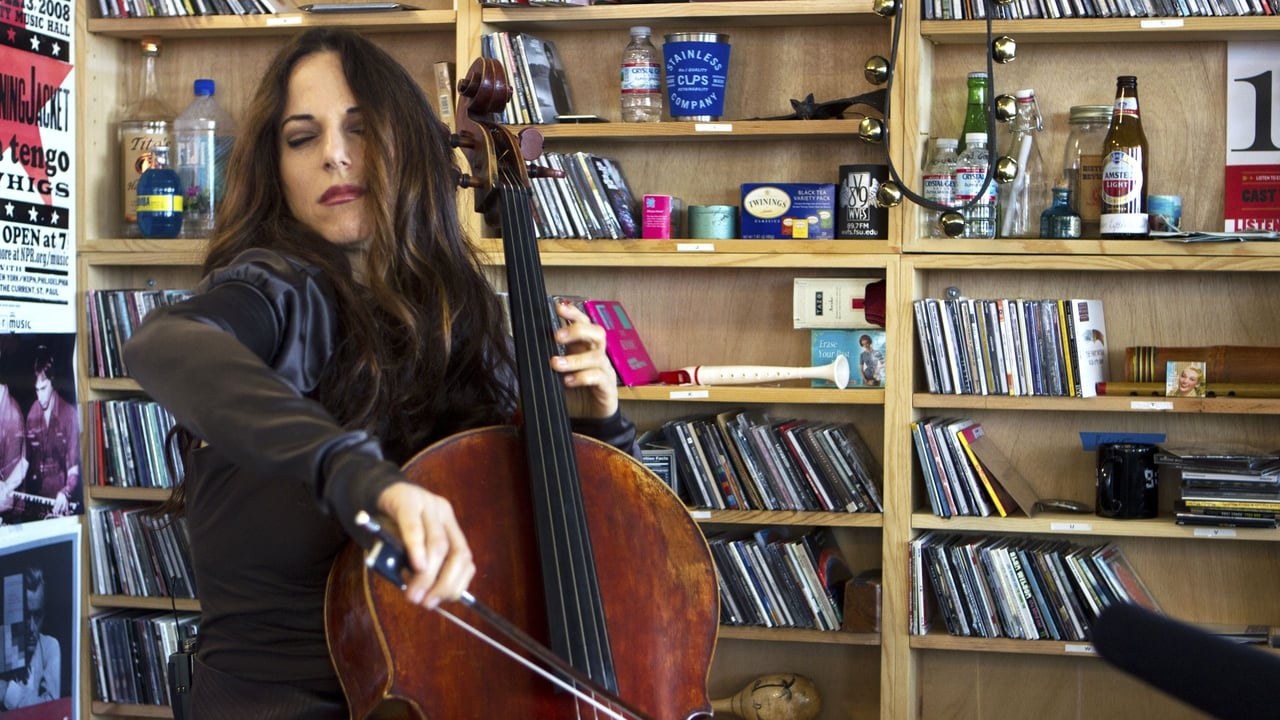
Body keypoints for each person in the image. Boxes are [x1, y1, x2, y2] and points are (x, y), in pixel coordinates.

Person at [121, 27, 641, 718]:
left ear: (411, 147)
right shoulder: (273, 292)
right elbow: (166, 342)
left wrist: (600, 420)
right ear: (275, 168)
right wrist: (355, 473)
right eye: (302, 138)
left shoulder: (468, 323)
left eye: (361, 129)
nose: (335, 155)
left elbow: (616, 558)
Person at [23, 345, 78, 519]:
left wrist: (66, 491)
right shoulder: (32, 413)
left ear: (53, 382)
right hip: (36, 505)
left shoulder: (69, 415)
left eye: (44, 388)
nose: (40, 397)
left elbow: (74, 469)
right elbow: (25, 462)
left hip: (61, 505)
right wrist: (7, 486)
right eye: (37, 390)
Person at [0, 566, 61, 709]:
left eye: (38, 615)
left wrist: (7, 690)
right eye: (26, 616)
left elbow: (51, 709)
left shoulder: (50, 647)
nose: (32, 627)